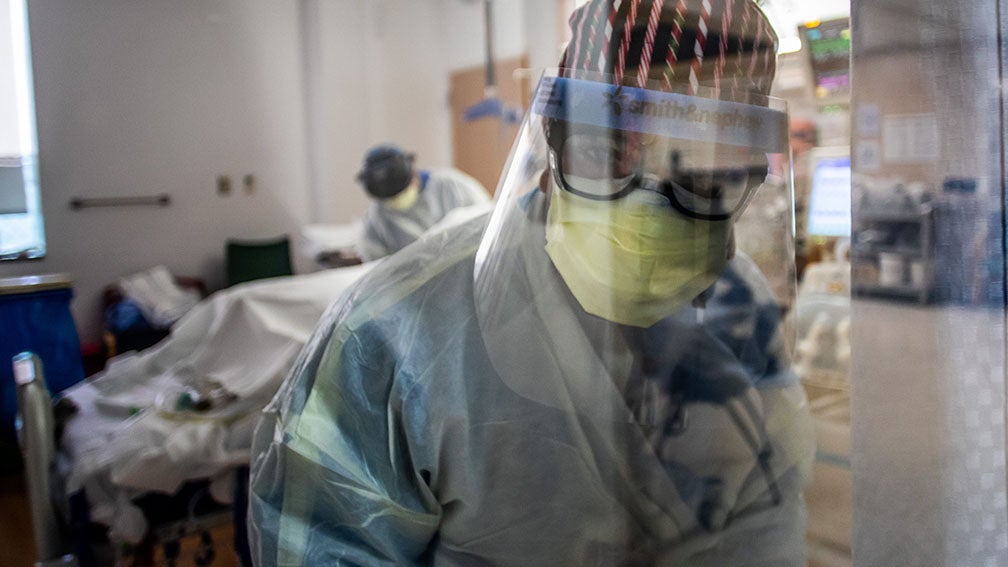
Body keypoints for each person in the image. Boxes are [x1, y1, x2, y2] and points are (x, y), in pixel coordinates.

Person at [250, 1, 813, 564]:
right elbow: (321, 544)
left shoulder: (742, 303)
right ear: (551, 145)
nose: (650, 206)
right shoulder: (396, 332)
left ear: (750, 175)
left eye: (701, 176)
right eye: (603, 156)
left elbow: (769, 512)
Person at [356, 145, 492, 261]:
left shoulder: (452, 187)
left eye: (401, 194)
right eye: (391, 199)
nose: (397, 200)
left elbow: (490, 225)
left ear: (414, 176)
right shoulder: (378, 216)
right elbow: (375, 263)